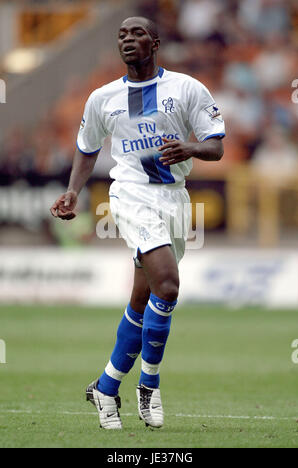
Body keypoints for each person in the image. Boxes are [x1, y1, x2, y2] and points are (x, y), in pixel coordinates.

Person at [50, 16, 225, 430]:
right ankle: (149, 385)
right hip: (129, 196)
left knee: (143, 299)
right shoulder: (103, 98)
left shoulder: (185, 89)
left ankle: (106, 387)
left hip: (174, 201)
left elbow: (216, 146)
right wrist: (73, 191)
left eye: (138, 33)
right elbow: (86, 148)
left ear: (156, 42)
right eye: (122, 34)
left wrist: (191, 148)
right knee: (168, 284)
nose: (128, 39)